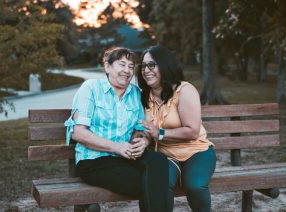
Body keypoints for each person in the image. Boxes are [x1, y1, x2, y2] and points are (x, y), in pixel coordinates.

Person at [64, 47, 169, 212]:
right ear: (107, 66)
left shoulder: (135, 93)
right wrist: (117, 147)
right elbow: (78, 132)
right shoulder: (91, 88)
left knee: (159, 161)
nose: (127, 70)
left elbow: (140, 129)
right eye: (122, 64)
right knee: (152, 182)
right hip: (93, 160)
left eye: (130, 66)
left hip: (125, 157)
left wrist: (142, 141)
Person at [137, 45, 216, 212]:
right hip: (165, 156)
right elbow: (145, 129)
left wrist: (159, 133)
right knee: (158, 186)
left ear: (165, 65)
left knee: (194, 186)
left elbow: (192, 131)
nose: (146, 70)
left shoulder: (184, 91)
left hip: (196, 152)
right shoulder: (143, 95)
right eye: (143, 65)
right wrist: (143, 139)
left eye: (152, 65)